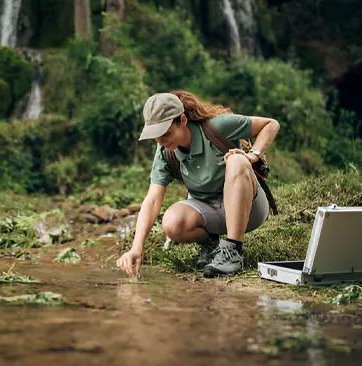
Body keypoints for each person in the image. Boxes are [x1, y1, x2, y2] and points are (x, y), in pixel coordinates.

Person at [116, 90, 280, 278]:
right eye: (156, 135)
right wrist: (136, 248)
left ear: (183, 121)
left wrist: (253, 156)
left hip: (249, 210)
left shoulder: (217, 126)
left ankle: (233, 251)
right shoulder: (165, 151)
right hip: (210, 213)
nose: (161, 141)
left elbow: (271, 124)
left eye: (165, 132)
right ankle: (212, 246)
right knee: (171, 222)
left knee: (236, 160)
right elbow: (152, 200)